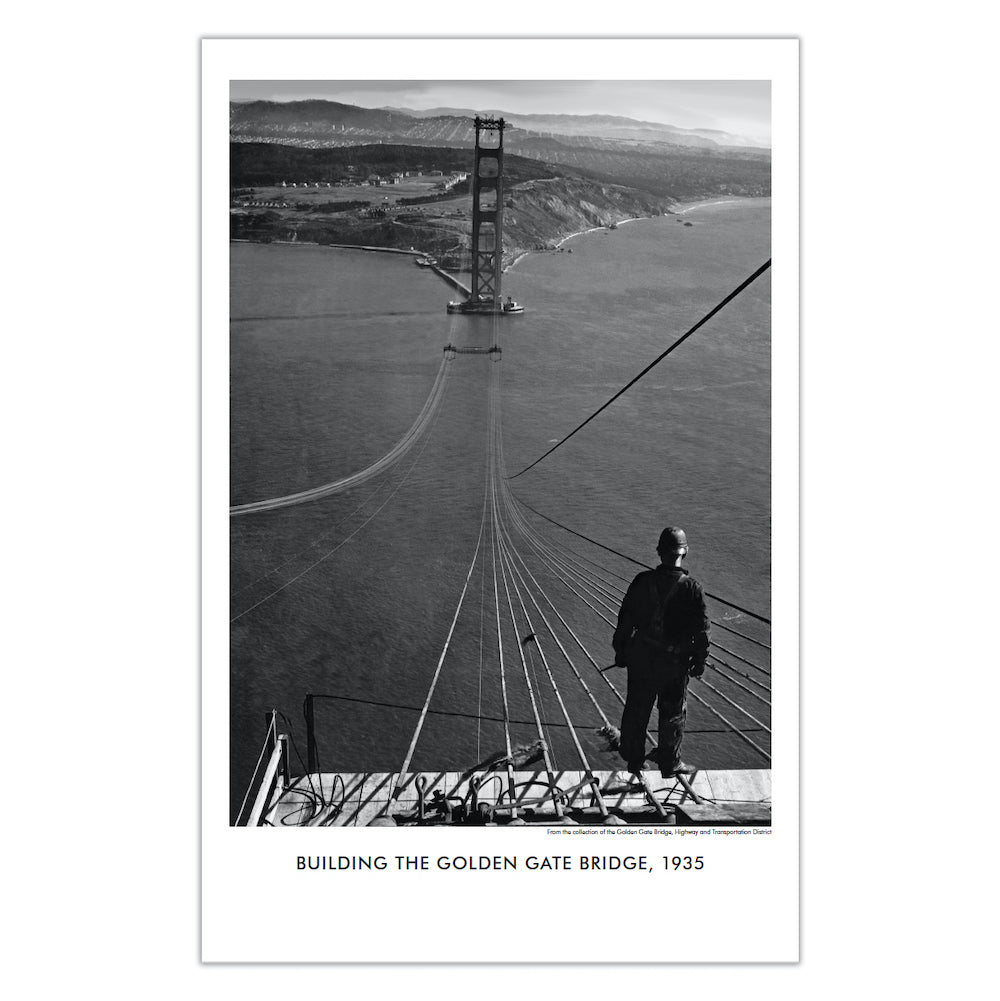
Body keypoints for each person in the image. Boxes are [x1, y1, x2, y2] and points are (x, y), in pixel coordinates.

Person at [612, 526, 710, 779]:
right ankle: (669, 763)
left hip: (642, 659)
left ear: (659, 551)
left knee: (636, 709)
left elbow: (625, 620)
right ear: (685, 552)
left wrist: (621, 651)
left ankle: (634, 760)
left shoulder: (642, 581)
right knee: (673, 713)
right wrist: (699, 661)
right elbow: (701, 632)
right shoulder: (692, 588)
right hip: (674, 664)